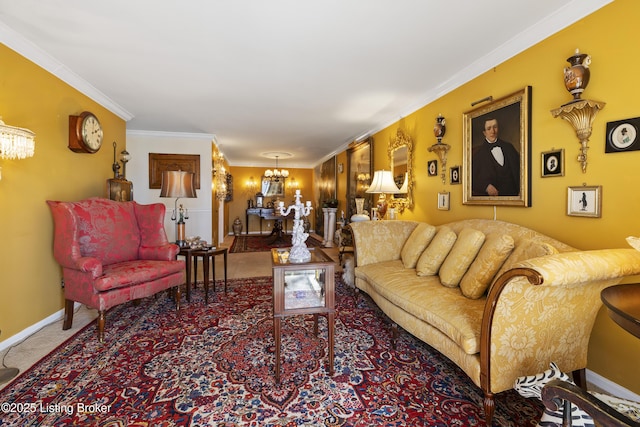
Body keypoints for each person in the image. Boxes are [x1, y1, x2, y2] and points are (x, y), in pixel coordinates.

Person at [472, 118, 520, 196]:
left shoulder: (509, 147)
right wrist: (486, 187)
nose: (493, 131)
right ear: (484, 132)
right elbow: (471, 179)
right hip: (494, 200)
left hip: (515, 196)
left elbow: (522, 169)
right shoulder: (478, 155)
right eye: (489, 128)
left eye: (495, 127)